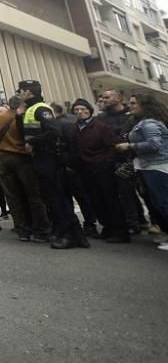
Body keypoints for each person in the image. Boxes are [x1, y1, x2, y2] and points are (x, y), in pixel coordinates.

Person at [17, 80, 87, 249]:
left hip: (47, 158)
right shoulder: (29, 110)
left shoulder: (41, 108)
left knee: (57, 197)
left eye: (21, 91)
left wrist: (33, 142)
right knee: (51, 197)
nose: (19, 94)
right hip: (40, 158)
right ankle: (67, 232)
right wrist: (19, 115)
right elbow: (24, 133)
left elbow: (53, 132)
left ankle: (69, 235)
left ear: (28, 92)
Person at [0, 96, 50, 243]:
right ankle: (41, 229)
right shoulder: (24, 116)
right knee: (33, 194)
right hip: (22, 158)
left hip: (2, 159)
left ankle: (22, 229)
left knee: (12, 196)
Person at [70, 99, 130, 243]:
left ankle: (120, 230)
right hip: (85, 170)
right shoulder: (75, 128)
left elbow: (112, 146)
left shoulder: (100, 127)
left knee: (110, 199)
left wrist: (105, 163)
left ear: (89, 110)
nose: (80, 112)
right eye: (76, 109)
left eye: (82, 109)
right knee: (95, 200)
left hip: (102, 168)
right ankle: (107, 227)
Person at [116, 93, 168, 251]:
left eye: (134, 103)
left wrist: (130, 146)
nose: (130, 106)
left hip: (156, 166)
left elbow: (154, 144)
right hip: (149, 166)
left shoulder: (149, 124)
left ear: (144, 105)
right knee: (158, 203)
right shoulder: (139, 122)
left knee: (163, 203)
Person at [98, 89, 150, 234]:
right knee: (125, 192)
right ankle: (135, 223)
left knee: (147, 192)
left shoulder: (133, 115)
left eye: (107, 97)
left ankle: (156, 223)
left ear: (119, 99)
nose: (104, 99)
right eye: (103, 97)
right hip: (119, 161)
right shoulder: (102, 118)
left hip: (140, 158)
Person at [52, 102, 98, 237]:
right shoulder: (72, 122)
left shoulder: (61, 124)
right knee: (82, 196)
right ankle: (90, 223)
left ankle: (79, 224)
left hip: (67, 165)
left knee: (70, 196)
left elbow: (69, 145)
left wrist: (68, 163)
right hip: (75, 165)